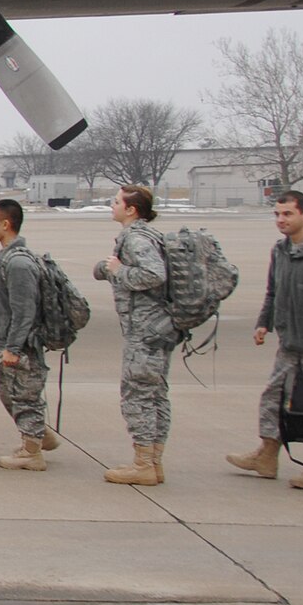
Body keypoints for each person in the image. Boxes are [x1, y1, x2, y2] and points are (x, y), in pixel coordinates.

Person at [227, 190, 303, 489]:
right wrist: (264, 323)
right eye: (277, 214)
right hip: (290, 344)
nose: (281, 220)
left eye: (288, 214)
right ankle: (267, 454)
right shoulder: (280, 250)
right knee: (273, 399)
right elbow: (273, 292)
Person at [94, 185, 176, 485]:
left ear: (131, 209)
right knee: (155, 396)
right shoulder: (148, 236)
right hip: (157, 331)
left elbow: (154, 274)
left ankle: (143, 464)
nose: (111, 205)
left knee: (137, 396)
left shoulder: (137, 238)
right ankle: (153, 462)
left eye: (116, 202)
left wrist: (118, 272)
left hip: (145, 332)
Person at [0, 198, 59, 470]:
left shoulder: (18, 264)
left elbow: (24, 310)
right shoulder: (6, 259)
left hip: (22, 347)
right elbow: (3, 304)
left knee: (24, 398)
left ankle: (32, 453)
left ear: (6, 224)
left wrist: (13, 348)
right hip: (6, 341)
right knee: (10, 395)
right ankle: (36, 437)